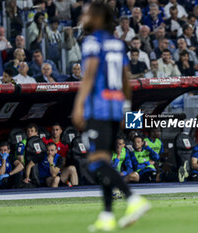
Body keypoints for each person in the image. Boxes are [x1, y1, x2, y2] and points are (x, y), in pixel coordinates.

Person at [71, 2, 150, 231]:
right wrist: (125, 109)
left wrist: (78, 105)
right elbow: (127, 81)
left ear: (97, 17)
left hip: (98, 107)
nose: (83, 17)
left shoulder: (92, 42)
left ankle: (133, 199)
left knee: (95, 163)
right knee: (104, 160)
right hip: (115, 107)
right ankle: (106, 216)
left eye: (86, 14)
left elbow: (89, 75)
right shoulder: (117, 44)